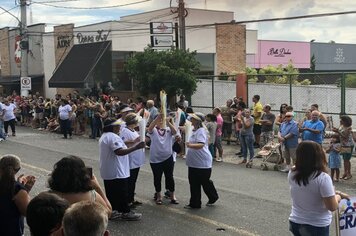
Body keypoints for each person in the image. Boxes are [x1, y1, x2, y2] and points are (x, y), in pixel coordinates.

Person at [288, 141, 349, 236]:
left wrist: (337, 193)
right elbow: (332, 207)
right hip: (315, 225)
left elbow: (311, 191)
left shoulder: (293, 172)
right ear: (319, 156)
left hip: (295, 221)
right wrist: (338, 197)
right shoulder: (322, 177)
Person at [99, 118, 145, 221]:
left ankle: (113, 211)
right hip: (116, 171)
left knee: (111, 192)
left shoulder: (105, 136)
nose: (120, 127)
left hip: (109, 170)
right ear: (113, 127)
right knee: (121, 192)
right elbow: (119, 151)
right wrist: (136, 147)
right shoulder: (113, 137)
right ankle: (125, 212)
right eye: (118, 126)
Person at [47, 156, 113, 218]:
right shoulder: (92, 196)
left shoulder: (48, 196)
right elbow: (108, 212)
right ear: (83, 174)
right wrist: (97, 187)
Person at [184, 112, 219, 209]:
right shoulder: (193, 130)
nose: (191, 120)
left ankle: (213, 197)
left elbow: (201, 144)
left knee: (204, 182)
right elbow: (184, 129)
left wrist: (189, 145)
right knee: (193, 183)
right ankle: (195, 203)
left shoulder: (201, 131)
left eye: (193, 118)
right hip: (193, 162)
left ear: (198, 121)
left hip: (202, 162)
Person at [0, 154, 36, 236]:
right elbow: (27, 212)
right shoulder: (17, 189)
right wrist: (25, 189)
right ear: (17, 170)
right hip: (10, 231)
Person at [148, 113, 179, 205]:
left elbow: (175, 132)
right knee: (157, 177)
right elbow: (149, 128)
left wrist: (168, 122)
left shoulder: (168, 130)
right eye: (159, 120)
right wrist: (156, 119)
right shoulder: (153, 130)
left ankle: (172, 195)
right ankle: (158, 196)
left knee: (169, 177)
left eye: (162, 120)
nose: (160, 122)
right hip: (155, 159)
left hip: (167, 157)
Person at [120, 113, 145, 208]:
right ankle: (127, 200)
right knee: (130, 181)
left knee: (133, 181)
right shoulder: (125, 131)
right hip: (130, 159)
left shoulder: (133, 130)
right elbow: (122, 142)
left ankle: (131, 198)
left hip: (136, 159)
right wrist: (135, 141)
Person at [332, 115, 354, 180]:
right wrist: (336, 130)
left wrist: (338, 131)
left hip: (348, 145)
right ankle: (345, 173)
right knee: (345, 159)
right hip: (343, 145)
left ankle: (348, 173)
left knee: (347, 160)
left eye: (341, 120)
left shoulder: (349, 128)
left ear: (345, 121)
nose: (340, 121)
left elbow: (345, 137)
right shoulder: (342, 126)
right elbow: (340, 133)